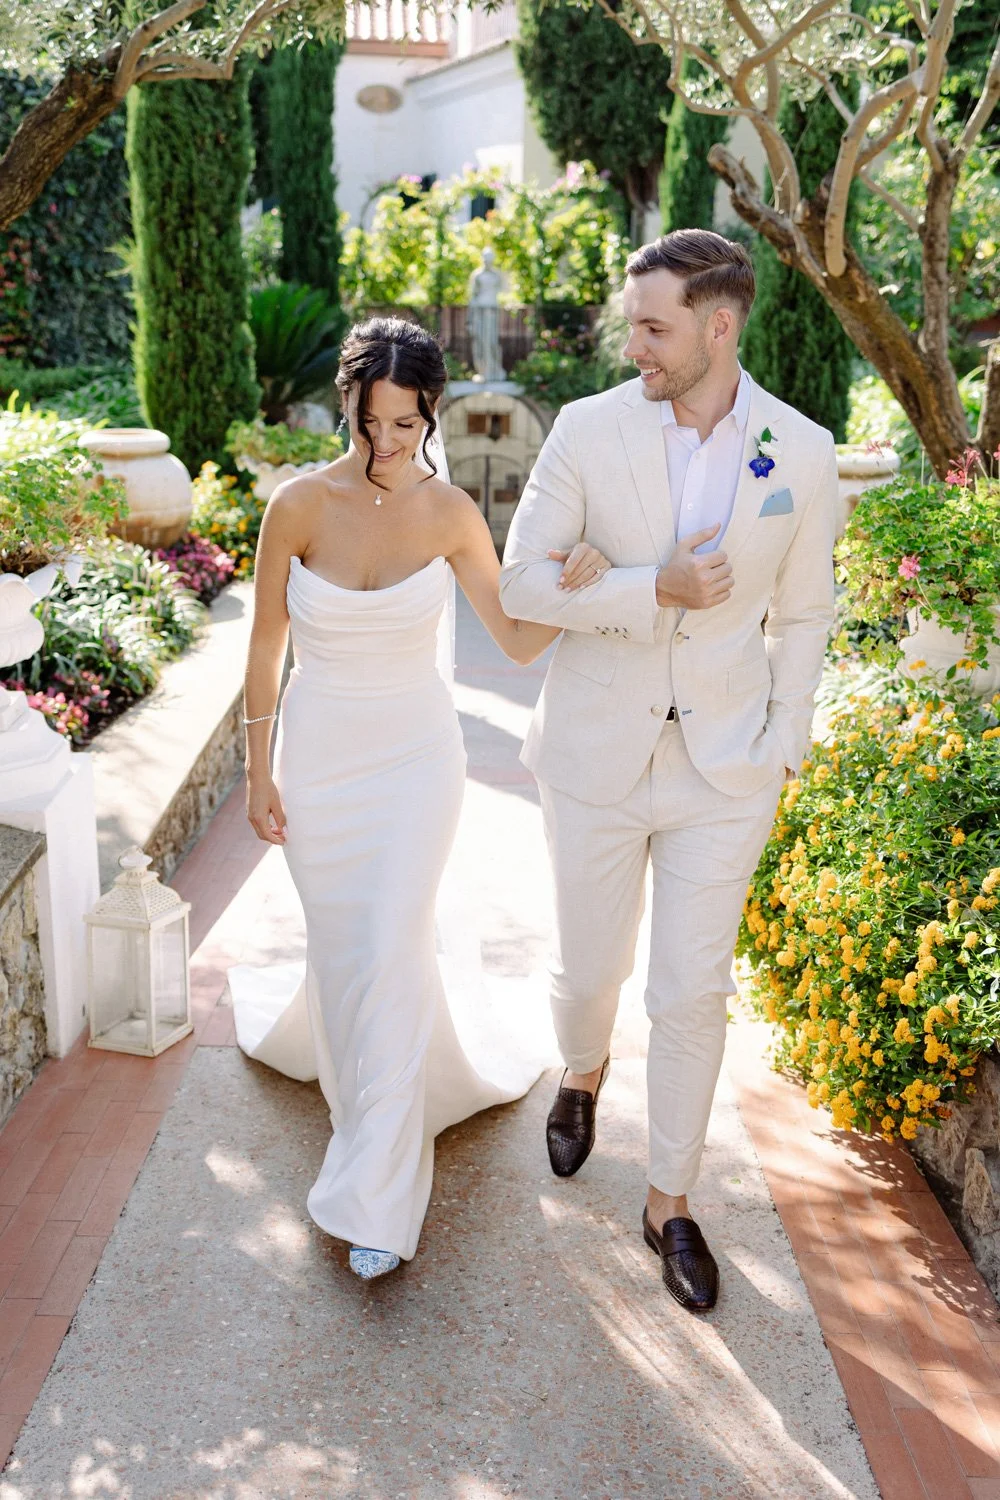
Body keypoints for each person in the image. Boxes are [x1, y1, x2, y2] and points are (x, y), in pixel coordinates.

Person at [499, 230, 837, 1313]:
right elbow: (521, 586)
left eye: (652, 325)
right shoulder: (589, 430)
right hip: (595, 751)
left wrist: (786, 735)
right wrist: (649, 586)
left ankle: (670, 1201)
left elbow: (808, 611)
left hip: (725, 767)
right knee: (590, 966)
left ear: (717, 326)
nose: (631, 342)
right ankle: (583, 1068)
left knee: (692, 990)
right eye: (631, 322)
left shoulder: (803, 449)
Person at [236, 316, 609, 1281]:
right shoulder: (297, 505)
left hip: (414, 767)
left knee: (395, 950)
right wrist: (257, 771)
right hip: (318, 763)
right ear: (346, 407)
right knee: (348, 951)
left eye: (409, 425)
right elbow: (265, 651)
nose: (390, 446)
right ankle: (368, 1111)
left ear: (431, 411)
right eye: (373, 424)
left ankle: (377, 1195)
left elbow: (521, 642)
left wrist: (582, 583)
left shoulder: (450, 514)